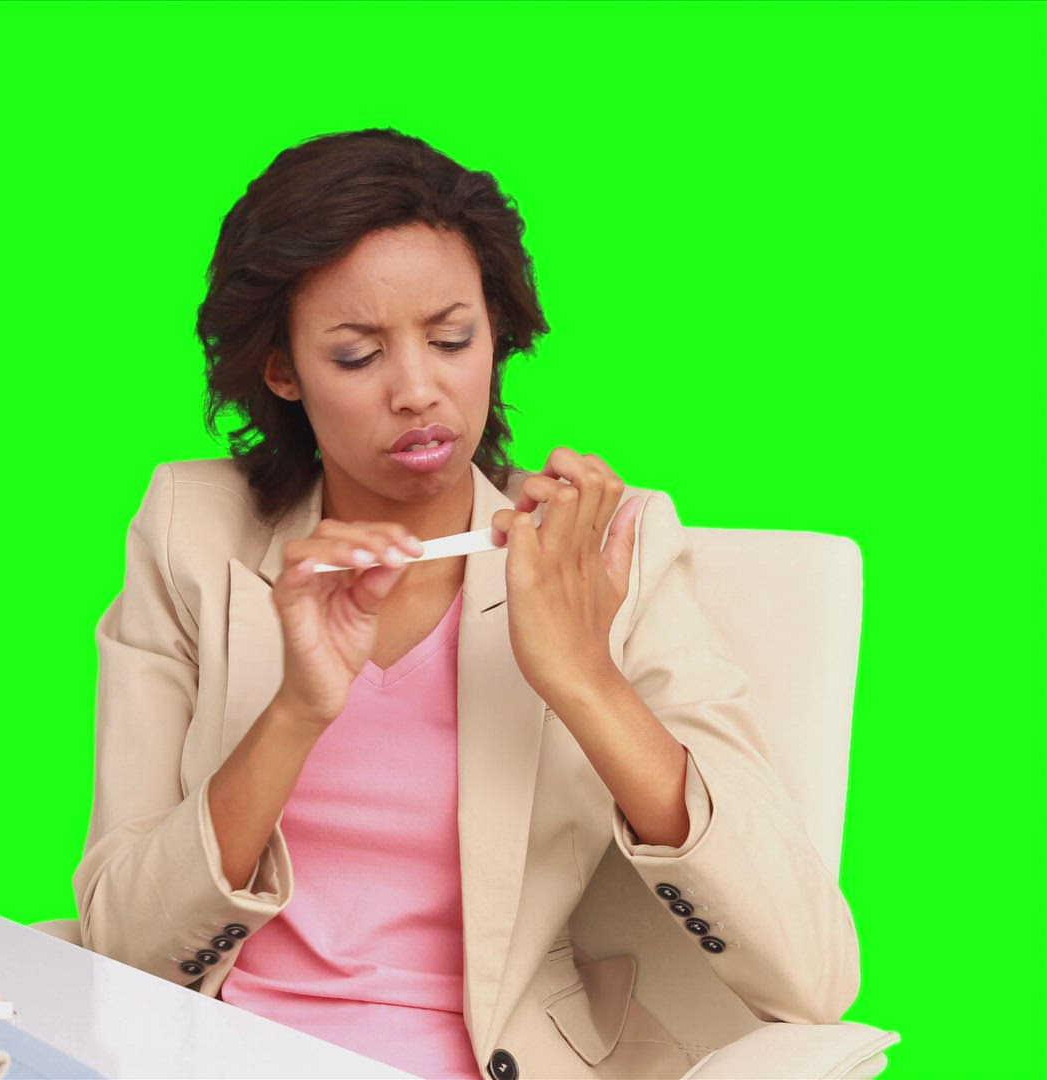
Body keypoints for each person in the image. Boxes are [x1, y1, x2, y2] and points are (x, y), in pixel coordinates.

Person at [72, 129, 862, 1079]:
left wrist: (583, 675)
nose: (419, 390)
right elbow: (120, 947)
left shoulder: (604, 552)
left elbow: (814, 978)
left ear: (496, 335)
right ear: (281, 369)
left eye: (453, 339)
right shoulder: (192, 532)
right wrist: (296, 712)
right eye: (356, 355)